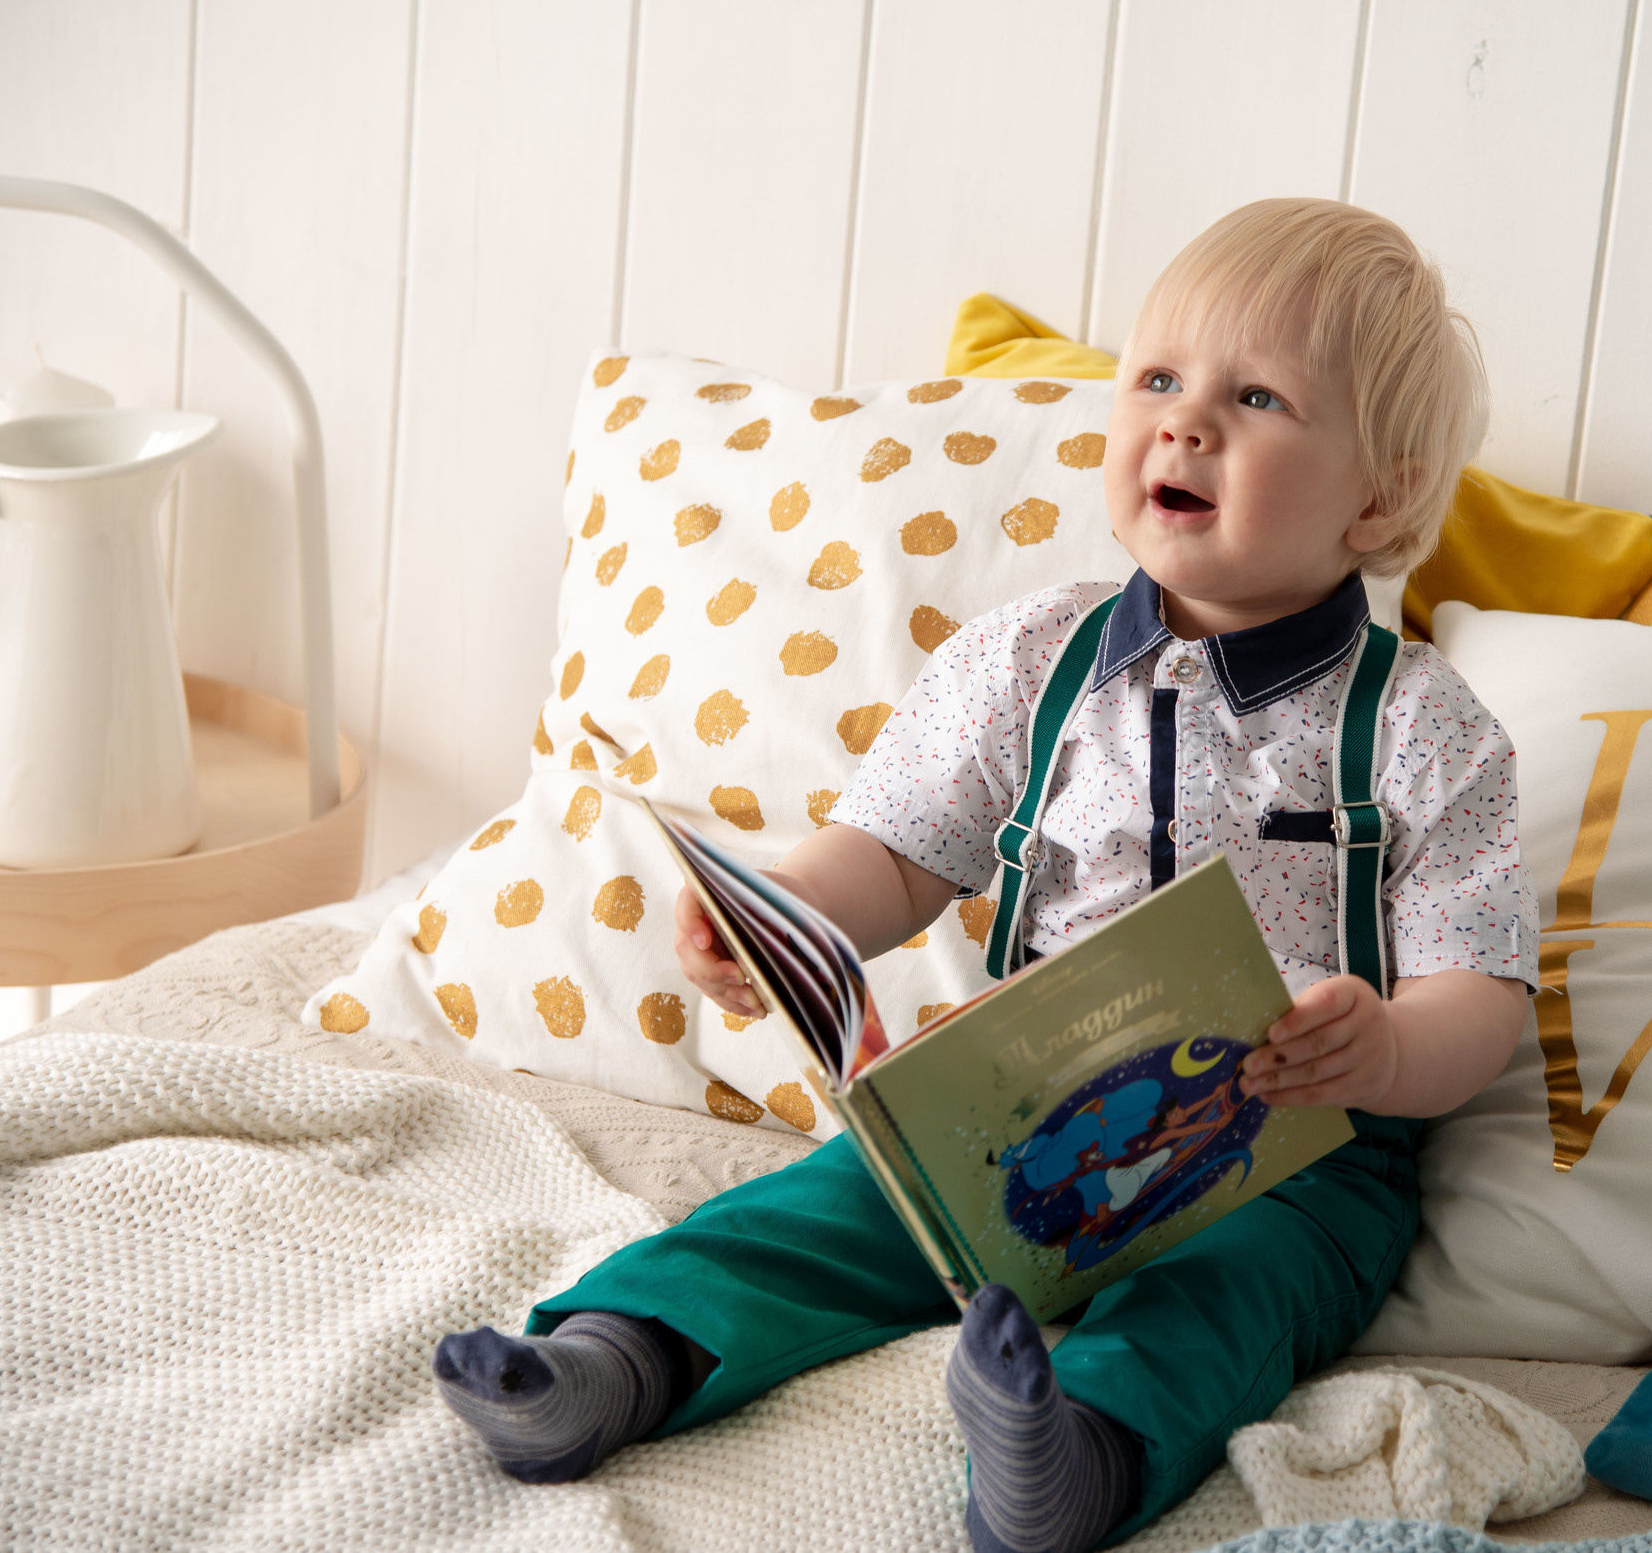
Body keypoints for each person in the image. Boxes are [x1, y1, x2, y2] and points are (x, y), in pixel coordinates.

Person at [431, 198, 1539, 1553]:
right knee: (828, 1203)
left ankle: (1072, 1454)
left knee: (1228, 1298)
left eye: (1258, 398)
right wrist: (782, 914)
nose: (1187, 423)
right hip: (1029, 1114)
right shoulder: (1031, 661)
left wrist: (1383, 1047)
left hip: (1289, 1157)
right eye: (1159, 380)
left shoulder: (1427, 728)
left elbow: (1478, 995)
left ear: (1380, 493)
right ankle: (615, 1353)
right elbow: (892, 849)